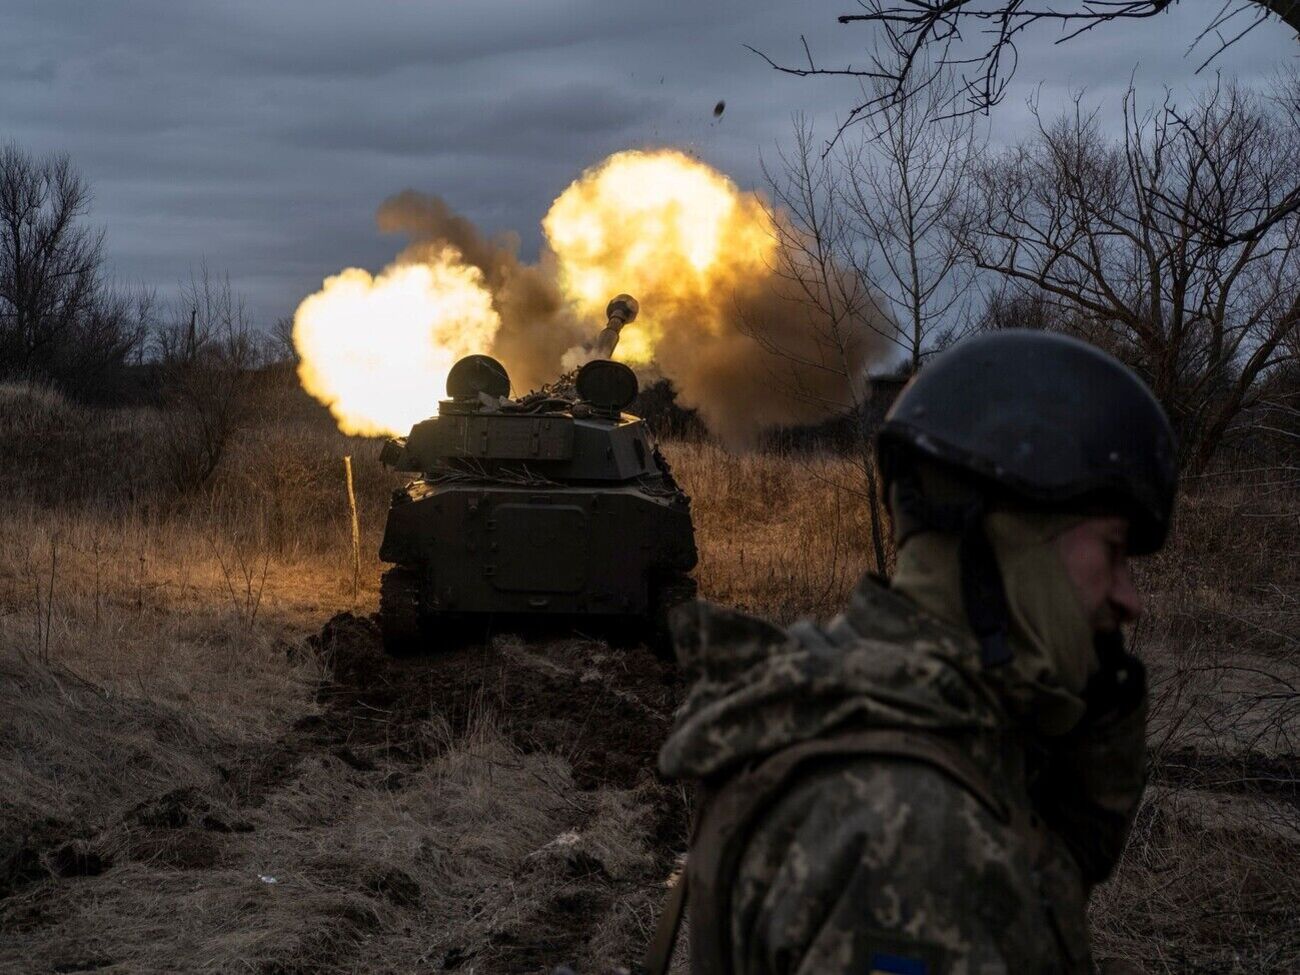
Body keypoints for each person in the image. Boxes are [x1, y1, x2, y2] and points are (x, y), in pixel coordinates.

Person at [649, 330, 1178, 975]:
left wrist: (1098, 716)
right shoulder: (914, 839)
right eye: (1113, 551)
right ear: (1005, 538)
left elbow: (1067, 857)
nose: (1130, 600)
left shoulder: (847, 701)